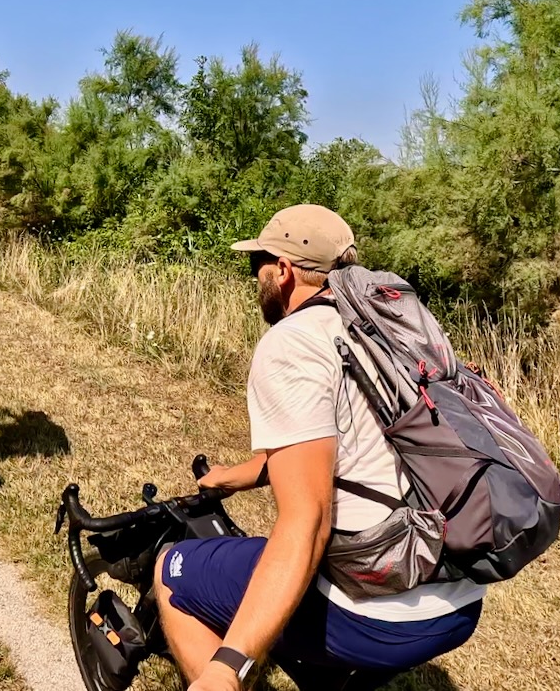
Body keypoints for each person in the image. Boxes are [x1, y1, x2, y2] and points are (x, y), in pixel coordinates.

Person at [155, 205, 485, 691]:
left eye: (258, 267)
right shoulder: (389, 330)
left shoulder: (293, 341)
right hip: (460, 597)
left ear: (284, 271)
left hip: (382, 611)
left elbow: (307, 522)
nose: (256, 281)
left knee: (173, 573)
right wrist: (237, 475)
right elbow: (355, 442)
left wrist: (230, 665)